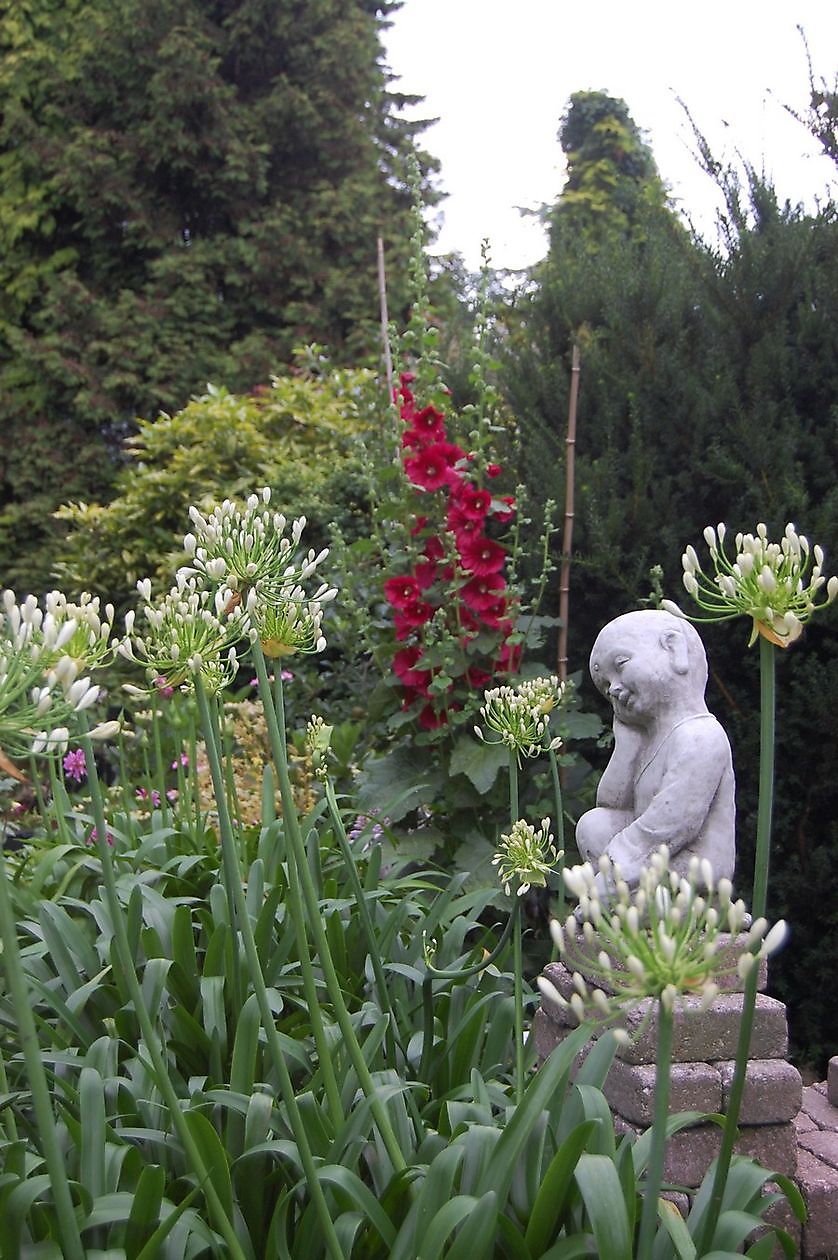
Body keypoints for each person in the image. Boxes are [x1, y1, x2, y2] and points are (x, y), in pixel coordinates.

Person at [576, 609, 735, 887]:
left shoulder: (701, 735)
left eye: (621, 664)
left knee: (610, 893)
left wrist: (613, 873)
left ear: (674, 651)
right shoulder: (648, 740)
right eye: (605, 686)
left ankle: (690, 909)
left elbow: (674, 825)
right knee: (594, 825)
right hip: (649, 856)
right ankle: (623, 900)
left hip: (695, 867)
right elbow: (611, 802)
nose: (613, 688)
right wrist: (626, 742)